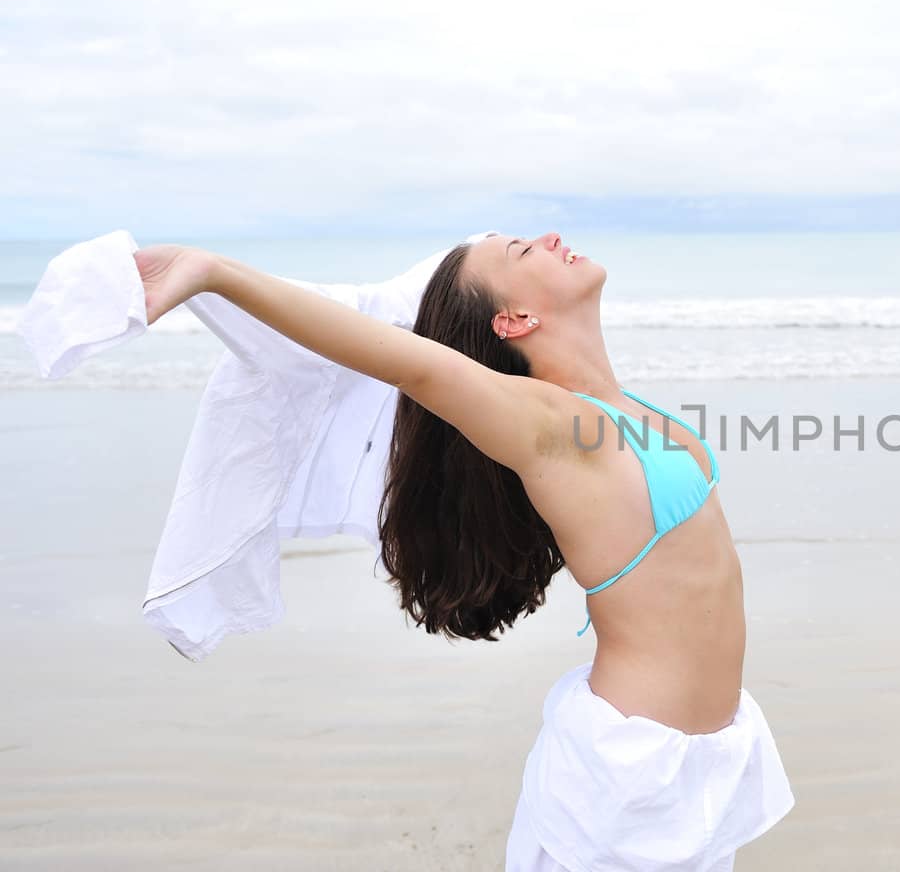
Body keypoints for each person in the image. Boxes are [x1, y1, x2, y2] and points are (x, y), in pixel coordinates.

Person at [134, 232, 794, 871]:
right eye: (520, 251)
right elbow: (406, 361)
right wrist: (213, 271)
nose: (548, 237)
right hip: (632, 772)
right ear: (515, 319)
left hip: (705, 760)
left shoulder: (622, 410)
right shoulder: (548, 426)